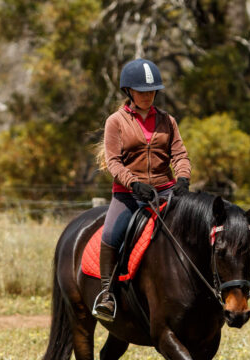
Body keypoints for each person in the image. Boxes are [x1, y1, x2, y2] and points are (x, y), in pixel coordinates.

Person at [92, 58, 192, 322]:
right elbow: (113, 161)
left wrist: (183, 178)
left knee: (195, 226)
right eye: (142, 91)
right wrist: (134, 183)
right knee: (112, 234)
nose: (147, 96)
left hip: (166, 189)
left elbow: (179, 154)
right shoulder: (116, 121)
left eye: (151, 91)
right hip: (128, 194)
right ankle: (107, 295)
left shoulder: (167, 121)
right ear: (129, 92)